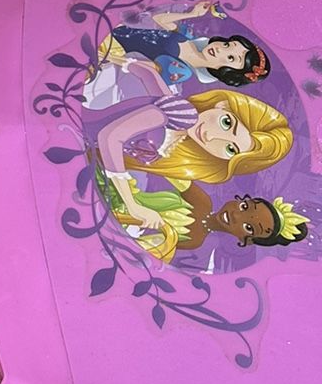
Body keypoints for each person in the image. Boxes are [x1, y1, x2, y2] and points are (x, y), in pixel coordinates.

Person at [83, 60, 295, 262]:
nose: (237, 216)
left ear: (244, 240)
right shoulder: (178, 115)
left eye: (230, 149)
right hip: (82, 139)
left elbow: (169, 174)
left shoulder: (195, 240)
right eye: (226, 122)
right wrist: (132, 204)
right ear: (222, 105)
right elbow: (111, 137)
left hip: (98, 190)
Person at [101, 0, 269, 91]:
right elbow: (159, 20)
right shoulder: (188, 37)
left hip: (113, 49)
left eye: (231, 57)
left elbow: (141, 69)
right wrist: (194, 13)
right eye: (227, 45)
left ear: (228, 73)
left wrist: (107, 56)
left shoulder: (182, 71)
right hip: (116, 30)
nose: (220, 48)